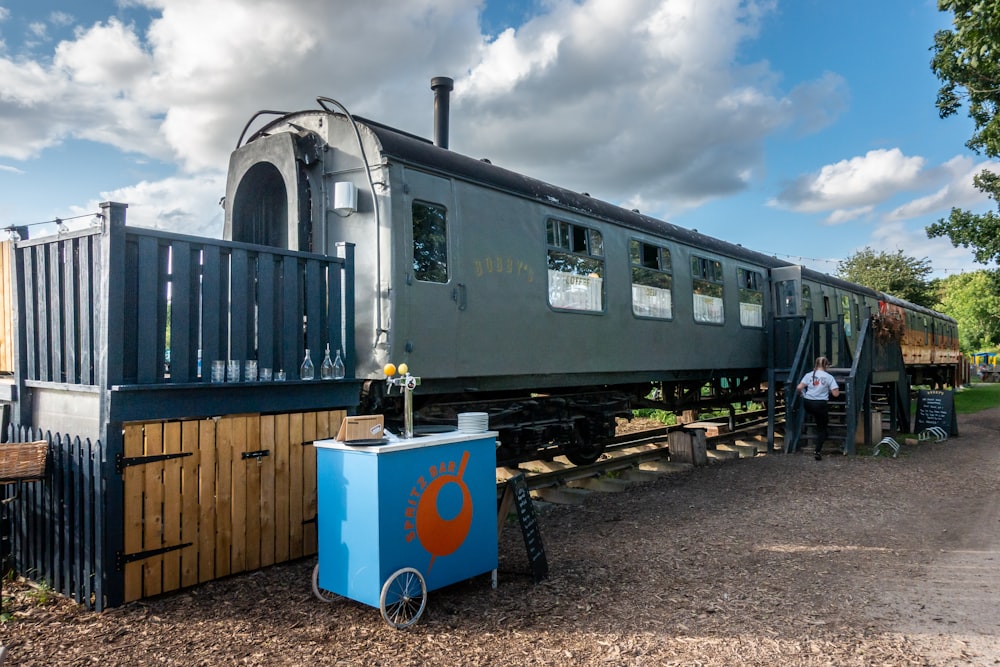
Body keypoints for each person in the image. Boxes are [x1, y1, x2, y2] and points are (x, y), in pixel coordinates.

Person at [796, 356, 840, 460]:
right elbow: (836, 394)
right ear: (826, 365)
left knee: (817, 417)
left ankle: (817, 423)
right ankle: (817, 451)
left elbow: (799, 387)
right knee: (822, 428)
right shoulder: (829, 377)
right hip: (820, 404)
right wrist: (828, 389)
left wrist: (802, 394)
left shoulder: (808, 375)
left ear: (815, 364)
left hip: (808, 403)